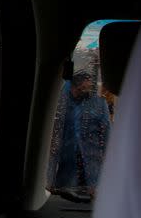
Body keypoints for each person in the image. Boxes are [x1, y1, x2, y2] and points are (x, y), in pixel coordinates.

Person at [47, 69, 111, 202]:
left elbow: (107, 135)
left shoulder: (98, 103)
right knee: (64, 200)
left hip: (91, 164)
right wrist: (49, 178)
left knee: (90, 200)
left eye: (87, 87)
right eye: (80, 88)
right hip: (66, 164)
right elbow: (53, 136)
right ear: (74, 87)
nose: (84, 90)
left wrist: (107, 161)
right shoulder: (61, 103)